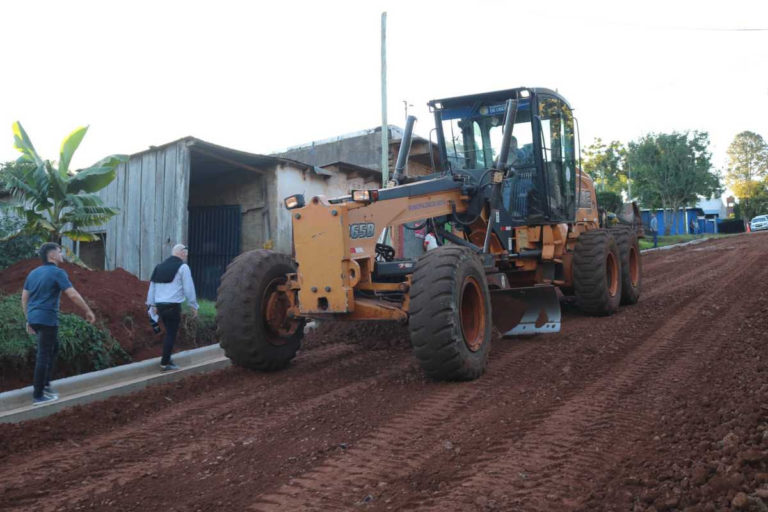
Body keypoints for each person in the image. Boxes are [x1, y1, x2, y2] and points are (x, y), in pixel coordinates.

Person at [22, 243, 96, 405]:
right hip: (47, 318)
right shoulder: (57, 273)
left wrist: (28, 318)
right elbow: (73, 295)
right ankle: (38, 395)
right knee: (44, 354)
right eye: (60, 252)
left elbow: (24, 297)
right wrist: (88, 311)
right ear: (52, 256)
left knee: (53, 348)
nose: (62, 254)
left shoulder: (33, 273)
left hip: (34, 317)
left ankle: (45, 384)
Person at [146, 244, 198, 371]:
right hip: (173, 306)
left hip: (160, 307)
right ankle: (165, 363)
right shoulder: (183, 267)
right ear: (181, 253)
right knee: (171, 334)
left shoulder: (159, 267)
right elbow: (188, 288)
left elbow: (152, 287)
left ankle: (167, 358)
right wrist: (193, 305)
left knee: (168, 332)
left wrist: (152, 304)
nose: (186, 255)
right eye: (185, 253)